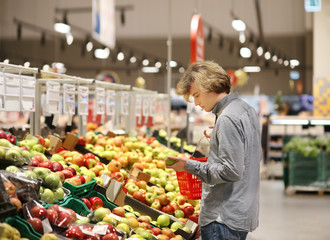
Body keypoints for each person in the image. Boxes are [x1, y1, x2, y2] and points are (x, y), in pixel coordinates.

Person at [166, 61, 262, 240]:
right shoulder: (245, 109)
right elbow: (254, 155)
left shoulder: (227, 119)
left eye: (196, 95)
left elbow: (231, 171)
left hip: (223, 218)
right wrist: (220, 138)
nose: (196, 103)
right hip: (242, 211)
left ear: (209, 85)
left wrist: (188, 165)